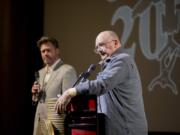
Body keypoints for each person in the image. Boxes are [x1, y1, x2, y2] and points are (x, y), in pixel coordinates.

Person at [55, 30, 148, 135]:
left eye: (101, 45)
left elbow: (102, 85)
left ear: (115, 43)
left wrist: (70, 92)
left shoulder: (122, 60)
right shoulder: (110, 64)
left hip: (127, 130)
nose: (98, 50)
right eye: (97, 48)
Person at [32, 36, 77, 135]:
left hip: (56, 125)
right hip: (39, 123)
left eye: (48, 50)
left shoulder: (67, 70)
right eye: (43, 51)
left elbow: (70, 100)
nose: (45, 54)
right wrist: (35, 95)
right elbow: (39, 101)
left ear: (57, 51)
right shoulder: (40, 73)